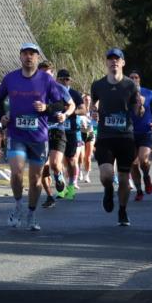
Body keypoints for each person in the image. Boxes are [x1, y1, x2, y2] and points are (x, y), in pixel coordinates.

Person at [0, 43, 67, 232]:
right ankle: (18, 205)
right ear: (20, 56)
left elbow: (60, 104)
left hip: (38, 137)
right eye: (25, 54)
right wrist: (2, 115)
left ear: (37, 57)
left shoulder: (46, 79)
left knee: (35, 179)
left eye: (32, 54)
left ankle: (31, 213)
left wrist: (47, 108)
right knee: (17, 171)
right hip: (16, 134)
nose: (29, 57)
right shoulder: (10, 78)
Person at [90, 48, 144, 227]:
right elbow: (93, 105)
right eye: (110, 59)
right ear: (106, 62)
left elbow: (137, 111)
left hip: (125, 138)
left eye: (117, 59)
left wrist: (140, 108)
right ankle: (108, 189)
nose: (114, 61)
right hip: (105, 137)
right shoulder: (98, 85)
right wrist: (93, 111)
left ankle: (122, 210)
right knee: (106, 175)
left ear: (123, 62)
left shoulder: (130, 85)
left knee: (123, 180)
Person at [37, 61, 75, 208]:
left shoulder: (59, 88)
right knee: (42, 167)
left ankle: (59, 176)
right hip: (40, 131)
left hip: (57, 129)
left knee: (54, 163)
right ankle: (49, 196)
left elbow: (71, 105)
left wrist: (65, 115)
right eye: (42, 73)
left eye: (47, 73)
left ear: (52, 74)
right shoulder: (34, 89)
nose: (45, 76)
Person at [127, 71, 152, 201]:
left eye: (136, 77)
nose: (134, 79)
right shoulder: (125, 94)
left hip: (145, 132)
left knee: (143, 159)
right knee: (133, 163)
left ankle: (146, 176)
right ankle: (139, 190)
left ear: (139, 79)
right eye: (131, 77)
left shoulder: (149, 93)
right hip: (130, 133)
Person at [54, 69, 85, 200]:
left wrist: (71, 112)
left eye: (67, 79)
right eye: (62, 79)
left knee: (71, 160)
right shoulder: (53, 92)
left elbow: (83, 109)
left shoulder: (74, 93)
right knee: (57, 161)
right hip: (56, 130)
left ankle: (71, 187)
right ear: (57, 79)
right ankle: (61, 188)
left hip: (71, 131)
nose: (64, 82)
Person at [79, 93, 96, 183]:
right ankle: (80, 171)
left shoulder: (93, 110)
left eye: (89, 100)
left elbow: (97, 121)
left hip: (90, 134)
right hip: (81, 134)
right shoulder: (79, 110)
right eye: (86, 100)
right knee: (81, 156)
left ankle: (87, 175)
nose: (88, 101)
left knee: (88, 157)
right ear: (83, 101)